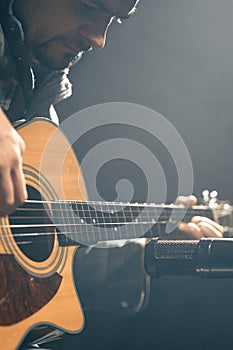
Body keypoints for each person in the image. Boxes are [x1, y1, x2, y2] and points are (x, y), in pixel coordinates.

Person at [0, 1, 224, 349]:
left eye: (112, 20)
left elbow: (35, 277)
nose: (99, 39)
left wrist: (153, 251)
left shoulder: (40, 122)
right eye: (88, 8)